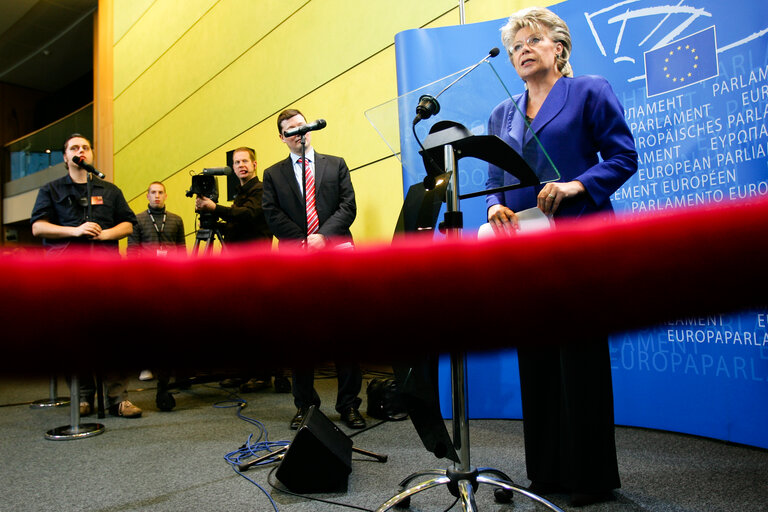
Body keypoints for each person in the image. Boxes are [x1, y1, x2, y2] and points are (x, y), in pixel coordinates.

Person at [485, 7, 638, 506]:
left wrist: (576, 185)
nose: (522, 50)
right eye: (514, 47)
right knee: (537, 360)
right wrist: (496, 209)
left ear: (559, 48)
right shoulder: (501, 114)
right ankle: (546, 472)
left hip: (579, 241)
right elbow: (493, 183)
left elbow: (622, 157)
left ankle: (590, 479)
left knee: (579, 359)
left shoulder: (589, 90)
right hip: (525, 250)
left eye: (532, 40)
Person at [262, 109, 364, 429]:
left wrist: (323, 236)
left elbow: (348, 206)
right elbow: (272, 214)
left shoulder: (336, 164)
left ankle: (348, 404)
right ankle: (305, 405)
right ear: (282, 137)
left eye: (301, 126)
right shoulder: (273, 174)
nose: (297, 132)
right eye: (290, 129)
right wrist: (305, 240)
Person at [30, 133, 142, 418]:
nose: (81, 151)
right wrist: (75, 231)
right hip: (67, 272)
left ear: (91, 155)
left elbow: (128, 224)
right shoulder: (51, 190)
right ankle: (83, 396)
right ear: (65, 157)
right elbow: (38, 227)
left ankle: (119, 398)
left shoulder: (109, 190)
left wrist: (105, 234)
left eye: (85, 147)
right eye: (74, 148)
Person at [195, 147, 284, 394]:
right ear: (233, 168)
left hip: (256, 264)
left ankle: (263, 375)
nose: (241, 165)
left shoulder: (262, 189)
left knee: (257, 321)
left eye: (245, 161)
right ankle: (243, 372)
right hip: (238, 264)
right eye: (237, 162)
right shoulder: (240, 192)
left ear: (255, 164)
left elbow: (251, 215)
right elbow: (238, 223)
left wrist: (216, 209)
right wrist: (214, 217)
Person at [127, 181, 186, 257]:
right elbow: (132, 250)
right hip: (147, 266)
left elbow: (182, 250)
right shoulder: (137, 220)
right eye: (153, 192)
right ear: (148, 196)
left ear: (165, 196)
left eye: (160, 192)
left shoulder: (176, 220)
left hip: (171, 266)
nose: (157, 196)